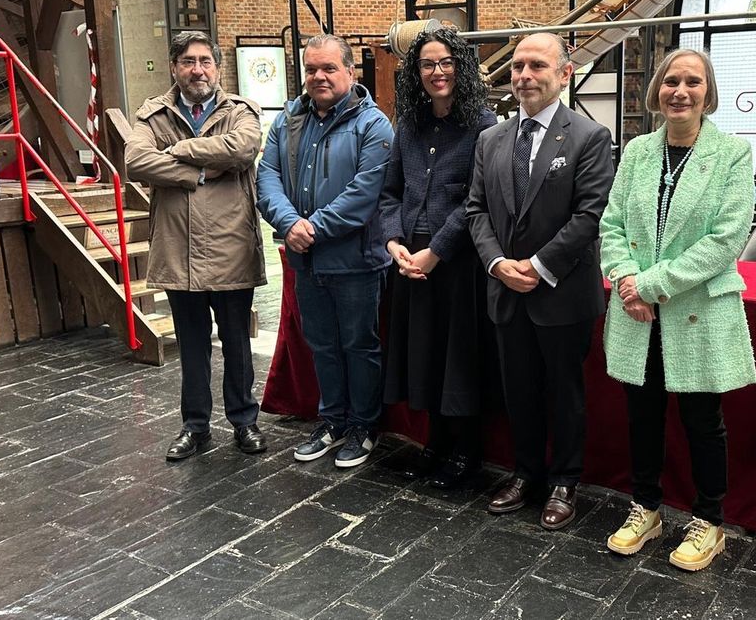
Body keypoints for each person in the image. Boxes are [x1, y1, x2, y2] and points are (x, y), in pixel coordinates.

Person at [598, 49, 756, 571]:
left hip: (694, 311)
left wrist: (648, 284)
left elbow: (725, 240)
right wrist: (625, 281)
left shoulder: (732, 154)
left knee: (701, 421)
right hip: (636, 312)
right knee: (641, 416)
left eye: (692, 82)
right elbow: (612, 224)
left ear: (708, 94)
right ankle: (646, 507)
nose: (680, 91)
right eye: (671, 81)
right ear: (657, 91)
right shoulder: (638, 151)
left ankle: (708, 520)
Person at [467, 32, 614, 529]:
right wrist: (497, 264)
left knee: (565, 392)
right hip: (505, 291)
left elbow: (590, 215)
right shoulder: (491, 139)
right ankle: (526, 473)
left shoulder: (589, 137)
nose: (525, 75)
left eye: (537, 66)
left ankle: (565, 482)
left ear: (564, 73)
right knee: (520, 391)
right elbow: (476, 211)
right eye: (517, 67)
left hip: (562, 293)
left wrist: (538, 266)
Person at [124, 31, 267, 460]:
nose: (197, 69)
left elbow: (243, 148)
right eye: (188, 61)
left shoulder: (240, 110)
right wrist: (199, 173)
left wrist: (181, 150)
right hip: (178, 250)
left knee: (237, 343)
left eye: (205, 61)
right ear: (174, 67)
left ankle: (244, 421)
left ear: (217, 68)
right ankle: (196, 426)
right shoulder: (153, 114)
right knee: (192, 344)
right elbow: (135, 161)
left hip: (230, 249)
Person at [256, 34, 394, 469]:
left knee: (359, 345)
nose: (318, 76)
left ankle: (364, 426)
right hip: (306, 262)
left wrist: (309, 227)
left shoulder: (374, 126)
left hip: (356, 262)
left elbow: (364, 194)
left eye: (329, 68)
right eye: (311, 68)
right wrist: (287, 223)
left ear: (350, 73)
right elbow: (267, 177)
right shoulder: (288, 121)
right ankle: (332, 420)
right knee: (322, 345)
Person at [378, 28, 499, 488]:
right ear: (416, 72)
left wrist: (436, 252)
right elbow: (390, 192)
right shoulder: (407, 125)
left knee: (457, 359)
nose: (437, 72)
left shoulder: (483, 126)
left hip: (457, 264)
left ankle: (466, 453)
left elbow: (476, 201)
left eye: (446, 62)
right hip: (409, 260)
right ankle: (434, 445)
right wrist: (394, 243)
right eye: (427, 64)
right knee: (422, 356)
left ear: (461, 67)